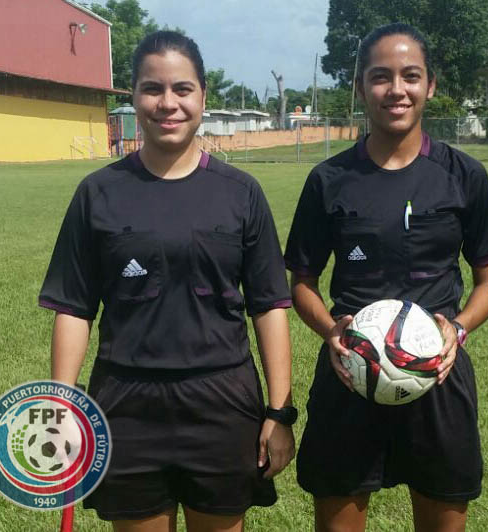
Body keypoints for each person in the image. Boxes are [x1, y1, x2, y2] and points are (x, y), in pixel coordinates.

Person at [38, 31, 296, 532]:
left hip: (222, 402)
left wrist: (279, 412)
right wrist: (61, 406)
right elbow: (74, 307)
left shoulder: (241, 193)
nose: (168, 103)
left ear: (202, 96)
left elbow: (269, 306)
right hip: (126, 402)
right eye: (152, 89)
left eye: (182, 89)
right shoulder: (99, 193)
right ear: (133, 97)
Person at [284, 22, 488, 532]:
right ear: (360, 87)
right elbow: (301, 282)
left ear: (431, 85)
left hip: (438, 379)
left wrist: (460, 328)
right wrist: (331, 330)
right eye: (381, 77)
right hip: (349, 373)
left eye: (411, 76)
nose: (396, 89)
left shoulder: (464, 176)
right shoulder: (329, 181)